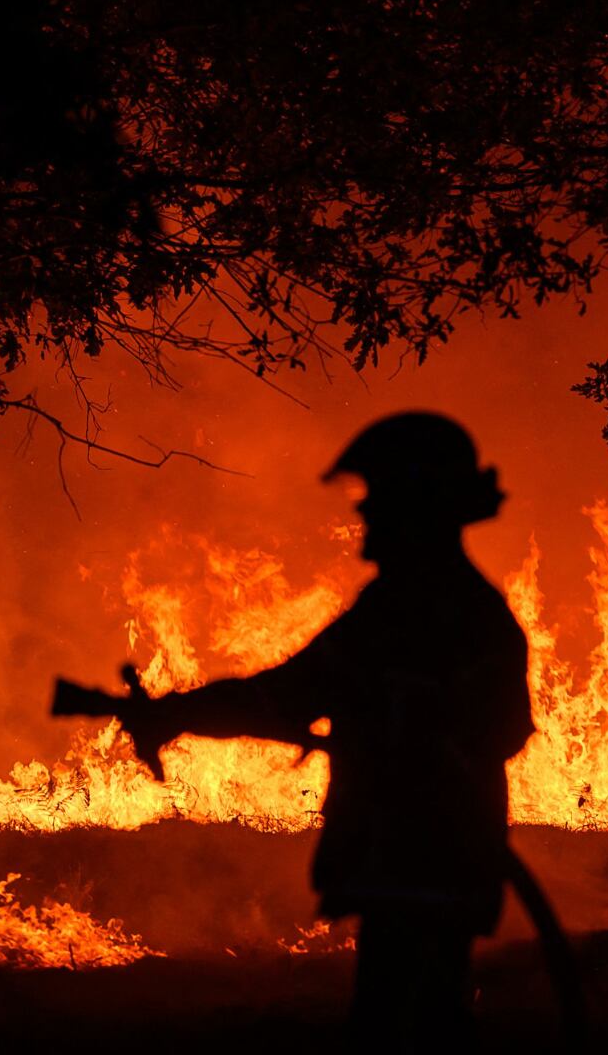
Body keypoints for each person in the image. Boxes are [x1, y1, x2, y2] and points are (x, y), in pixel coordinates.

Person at [106, 412, 532, 1045]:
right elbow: (286, 696)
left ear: (417, 503)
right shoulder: (419, 606)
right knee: (418, 1016)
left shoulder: (433, 612)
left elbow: (500, 727)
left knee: (403, 1020)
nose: (367, 514)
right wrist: (176, 713)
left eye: (377, 496)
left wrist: (176, 713)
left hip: (428, 859)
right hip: (427, 860)